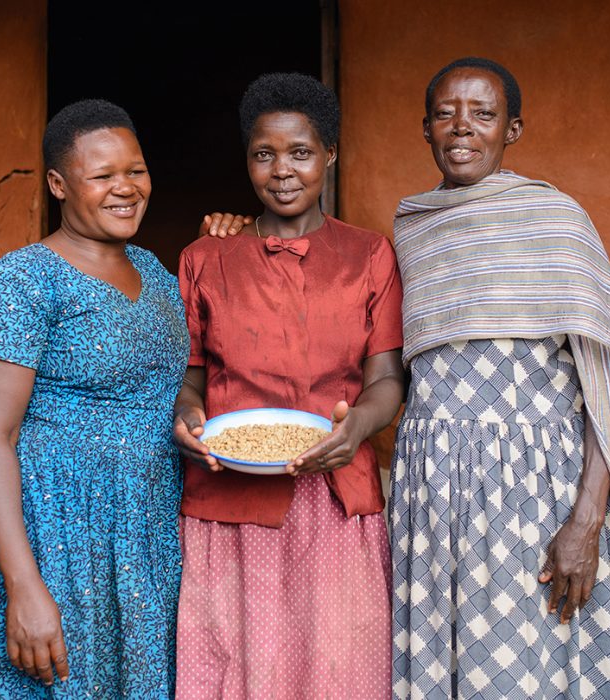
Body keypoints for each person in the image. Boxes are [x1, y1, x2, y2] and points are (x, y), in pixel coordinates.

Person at [388, 57, 610, 698]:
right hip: (433, 495)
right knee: (450, 665)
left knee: (536, 669)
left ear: (513, 130)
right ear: (425, 128)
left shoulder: (557, 222)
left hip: (537, 494)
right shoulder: (413, 230)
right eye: (445, 113)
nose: (462, 128)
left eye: (483, 115)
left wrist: (586, 520)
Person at [0, 99, 190, 698]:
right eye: (102, 176)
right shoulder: (22, 280)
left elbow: (163, 394)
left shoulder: (157, 273)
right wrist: (23, 585)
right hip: (50, 536)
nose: (126, 188)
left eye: (136, 170)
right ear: (58, 184)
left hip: (141, 540)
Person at [171, 73, 406, 699]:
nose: (282, 170)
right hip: (229, 503)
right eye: (264, 153)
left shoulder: (369, 255)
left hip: (335, 497)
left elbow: (385, 379)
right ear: (246, 159)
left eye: (301, 152)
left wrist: (357, 425)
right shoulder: (204, 258)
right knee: (236, 672)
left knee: (338, 673)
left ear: (329, 155)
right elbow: (189, 381)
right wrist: (188, 419)